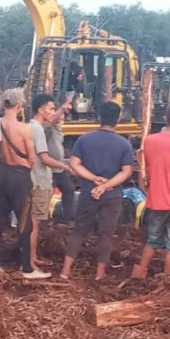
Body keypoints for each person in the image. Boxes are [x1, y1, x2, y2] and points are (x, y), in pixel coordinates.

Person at [60, 101, 135, 281]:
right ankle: (99, 274)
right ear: (117, 119)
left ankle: (65, 271)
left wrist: (94, 180)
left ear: (100, 117)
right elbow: (126, 171)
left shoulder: (84, 139)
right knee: (106, 235)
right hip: (112, 195)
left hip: (88, 192)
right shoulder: (124, 144)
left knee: (79, 231)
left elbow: (74, 163)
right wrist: (105, 185)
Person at [0, 88, 48, 279]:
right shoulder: (25, 129)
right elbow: (31, 159)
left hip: (3, 174)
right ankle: (27, 269)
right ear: (20, 106)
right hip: (20, 176)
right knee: (24, 221)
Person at [131, 101, 170, 280]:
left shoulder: (150, 141)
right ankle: (167, 279)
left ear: (165, 118)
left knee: (152, 240)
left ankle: (139, 273)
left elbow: (149, 165)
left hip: (156, 199)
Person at [28, 94, 69, 267]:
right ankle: (30, 261)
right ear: (40, 109)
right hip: (38, 181)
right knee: (34, 224)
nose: (53, 112)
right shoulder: (37, 129)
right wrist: (66, 166)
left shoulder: (33, 127)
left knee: (33, 223)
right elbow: (44, 158)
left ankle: (32, 256)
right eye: (51, 109)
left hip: (34, 179)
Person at [46, 101, 74, 224]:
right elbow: (53, 120)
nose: (62, 116)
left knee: (69, 189)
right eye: (61, 114)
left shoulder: (58, 128)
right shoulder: (48, 127)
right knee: (47, 195)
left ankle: (67, 219)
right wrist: (62, 108)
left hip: (59, 169)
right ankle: (42, 219)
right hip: (49, 169)